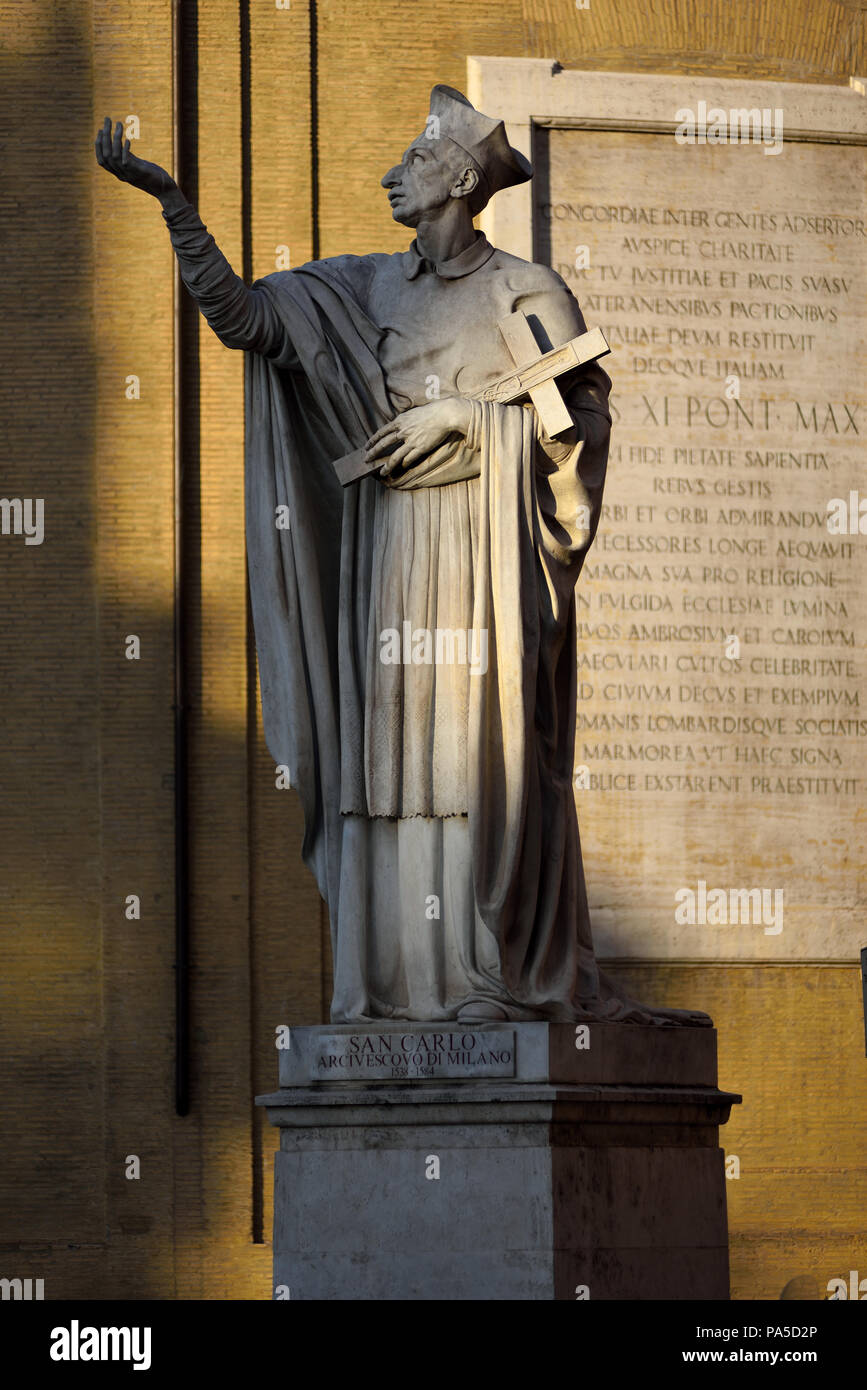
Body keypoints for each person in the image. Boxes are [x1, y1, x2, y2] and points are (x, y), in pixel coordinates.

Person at [95, 85, 709, 1027]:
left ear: (461, 179)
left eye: (416, 161)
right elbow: (244, 318)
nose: (394, 172)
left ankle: (486, 975)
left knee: (477, 761)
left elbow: (577, 427)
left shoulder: (527, 293)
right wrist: (173, 206)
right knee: (390, 766)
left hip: (486, 562)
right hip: (387, 556)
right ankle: (397, 982)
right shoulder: (361, 287)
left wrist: (474, 421)